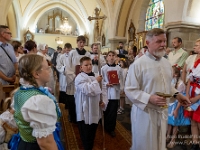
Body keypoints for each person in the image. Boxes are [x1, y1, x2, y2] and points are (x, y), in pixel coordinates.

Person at [124, 28, 190, 150]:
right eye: (159, 41)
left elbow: (165, 85)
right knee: (145, 145)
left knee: (159, 144)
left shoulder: (166, 63)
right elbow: (130, 89)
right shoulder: (138, 65)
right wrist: (149, 98)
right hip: (145, 114)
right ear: (148, 43)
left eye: (164, 41)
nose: (163, 45)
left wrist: (176, 94)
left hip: (161, 112)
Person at [11, 54, 63, 150]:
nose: (50, 71)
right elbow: (45, 143)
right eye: (47, 68)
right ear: (36, 74)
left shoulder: (21, 91)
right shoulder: (39, 101)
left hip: (23, 143)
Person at [75, 56, 106, 150]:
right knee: (85, 133)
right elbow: (88, 90)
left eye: (90, 64)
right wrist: (96, 81)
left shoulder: (97, 75)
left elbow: (103, 90)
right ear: (81, 67)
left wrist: (103, 101)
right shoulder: (79, 78)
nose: (89, 67)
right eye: (86, 65)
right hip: (84, 110)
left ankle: (90, 146)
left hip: (94, 108)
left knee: (92, 131)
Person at [65, 35, 90, 123]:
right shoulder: (72, 53)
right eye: (80, 42)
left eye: (83, 42)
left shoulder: (87, 54)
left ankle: (81, 116)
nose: (82, 44)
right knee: (72, 100)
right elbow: (68, 67)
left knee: (81, 99)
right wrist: (74, 77)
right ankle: (72, 116)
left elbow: (88, 66)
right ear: (77, 42)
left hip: (83, 79)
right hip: (73, 79)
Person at [166, 66, 190, 149]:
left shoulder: (181, 84)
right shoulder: (171, 81)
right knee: (169, 122)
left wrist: (176, 110)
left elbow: (181, 98)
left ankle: (173, 139)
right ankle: (168, 136)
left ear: (175, 74)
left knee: (175, 123)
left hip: (177, 107)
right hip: (170, 105)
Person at [101, 51, 123, 137]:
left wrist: (118, 83)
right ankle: (105, 125)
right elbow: (101, 80)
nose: (111, 57)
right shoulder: (103, 68)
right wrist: (106, 83)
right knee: (106, 110)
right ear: (106, 58)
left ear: (116, 57)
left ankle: (111, 128)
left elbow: (122, 79)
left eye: (113, 55)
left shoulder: (119, 68)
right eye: (109, 56)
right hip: (106, 92)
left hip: (115, 92)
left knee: (113, 112)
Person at [184, 53, 200, 150]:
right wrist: (187, 94)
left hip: (198, 97)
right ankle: (195, 143)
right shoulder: (195, 63)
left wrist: (198, 97)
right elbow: (190, 80)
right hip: (192, 94)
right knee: (193, 121)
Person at [56, 43, 72, 108]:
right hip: (64, 76)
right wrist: (64, 68)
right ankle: (62, 107)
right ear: (65, 49)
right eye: (67, 50)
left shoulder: (73, 56)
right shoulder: (61, 56)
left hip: (71, 76)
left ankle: (69, 106)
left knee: (70, 91)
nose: (68, 51)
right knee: (63, 91)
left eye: (69, 50)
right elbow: (58, 66)